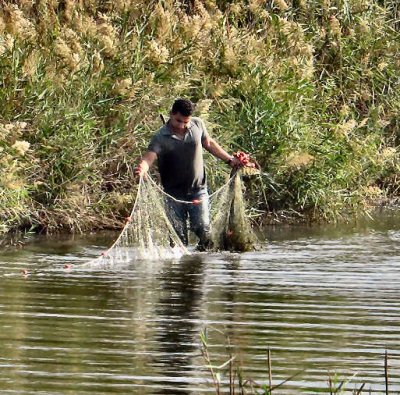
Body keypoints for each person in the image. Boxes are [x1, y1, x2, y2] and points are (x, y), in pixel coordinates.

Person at [135, 99, 242, 250]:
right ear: (171, 114)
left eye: (185, 122)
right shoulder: (160, 137)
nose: (181, 126)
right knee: (177, 239)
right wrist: (142, 168)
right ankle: (181, 270)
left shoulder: (197, 124)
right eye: (178, 121)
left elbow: (209, 143)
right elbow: (149, 157)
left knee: (203, 229)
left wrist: (230, 160)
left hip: (198, 190)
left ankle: (201, 265)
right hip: (173, 194)